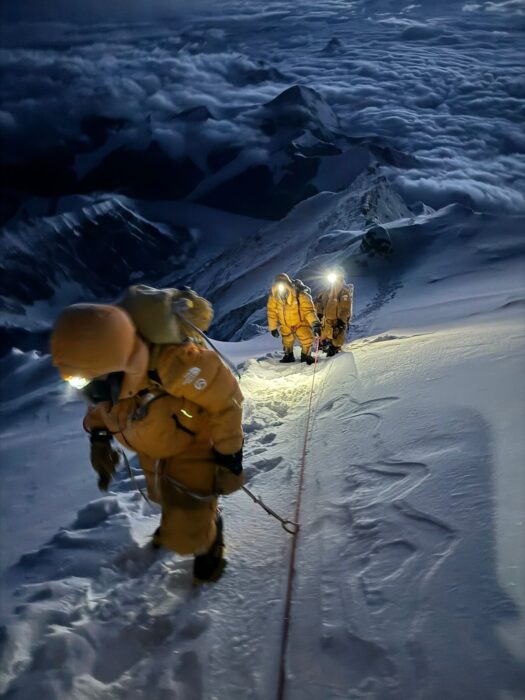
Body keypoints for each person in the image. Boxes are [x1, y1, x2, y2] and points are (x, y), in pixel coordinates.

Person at [50, 287, 244, 585]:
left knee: (188, 520)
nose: (88, 389)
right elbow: (103, 408)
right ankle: (183, 521)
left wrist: (229, 455)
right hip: (157, 440)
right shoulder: (110, 378)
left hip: (192, 440)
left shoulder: (175, 365)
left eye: (91, 380)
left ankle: (209, 536)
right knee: (162, 495)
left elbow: (225, 399)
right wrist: (99, 438)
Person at [267, 273, 321, 365]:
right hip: (286, 325)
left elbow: (309, 311)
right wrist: (273, 328)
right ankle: (288, 355)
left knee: (306, 338)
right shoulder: (274, 298)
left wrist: (315, 323)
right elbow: (271, 313)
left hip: (301, 323)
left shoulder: (301, 295)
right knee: (287, 340)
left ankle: (306, 355)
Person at [315, 268, 353, 357]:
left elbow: (345, 309)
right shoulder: (326, 292)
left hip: (337, 322)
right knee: (323, 339)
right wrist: (319, 315)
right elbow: (322, 305)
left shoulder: (344, 292)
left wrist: (342, 322)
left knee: (336, 342)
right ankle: (328, 348)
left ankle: (335, 352)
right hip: (327, 321)